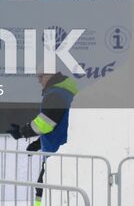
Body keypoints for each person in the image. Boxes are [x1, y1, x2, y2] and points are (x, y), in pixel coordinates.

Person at [8, 70, 80, 206]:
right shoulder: (64, 92)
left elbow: (45, 124)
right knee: (45, 187)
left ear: (50, 75)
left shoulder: (56, 95)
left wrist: (21, 132)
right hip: (60, 148)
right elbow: (60, 125)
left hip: (57, 153)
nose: (38, 80)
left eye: (40, 76)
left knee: (44, 189)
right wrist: (38, 143)